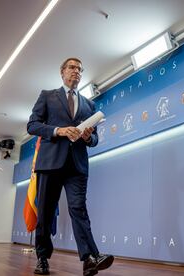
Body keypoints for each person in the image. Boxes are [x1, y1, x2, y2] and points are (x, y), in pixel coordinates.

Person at [27, 58, 114, 276]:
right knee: (46, 213)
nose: (76, 71)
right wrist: (59, 130)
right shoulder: (47, 96)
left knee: (79, 209)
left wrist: (87, 137)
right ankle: (42, 258)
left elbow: (94, 140)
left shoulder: (89, 104)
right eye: (72, 67)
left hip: (77, 166)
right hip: (50, 164)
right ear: (62, 72)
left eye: (80, 69)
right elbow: (32, 125)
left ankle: (90, 258)